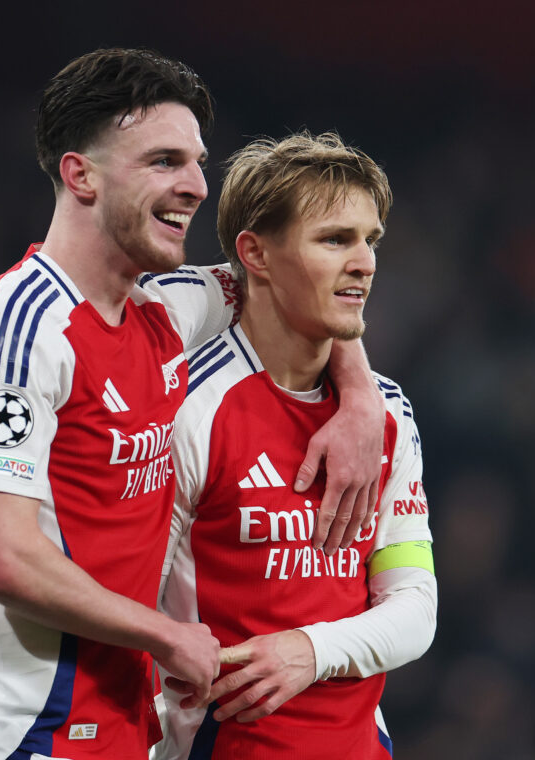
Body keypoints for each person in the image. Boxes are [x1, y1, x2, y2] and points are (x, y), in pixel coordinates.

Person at [0, 50, 385, 760]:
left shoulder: (164, 310)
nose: (197, 186)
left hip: (115, 728)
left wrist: (357, 394)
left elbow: (296, 278)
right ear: (81, 176)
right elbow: (1, 557)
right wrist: (168, 635)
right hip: (15, 729)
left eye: (198, 162)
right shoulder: (18, 329)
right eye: (165, 160)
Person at [153, 132, 438, 759]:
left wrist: (311, 650)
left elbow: (416, 607)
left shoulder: (386, 412)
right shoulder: (186, 410)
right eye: (334, 239)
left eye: (371, 240)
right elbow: (130, 614)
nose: (364, 261)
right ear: (254, 254)